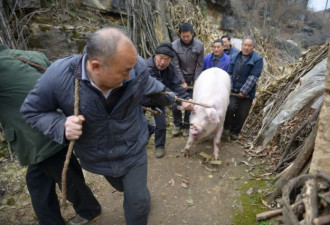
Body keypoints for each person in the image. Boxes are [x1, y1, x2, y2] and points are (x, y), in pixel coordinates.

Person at [20, 27, 176, 225]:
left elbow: (149, 86)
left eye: (132, 68)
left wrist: (172, 98)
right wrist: (61, 125)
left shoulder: (136, 68)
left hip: (133, 147)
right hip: (98, 155)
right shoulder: (59, 76)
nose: (130, 75)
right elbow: (32, 111)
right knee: (123, 187)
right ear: (96, 67)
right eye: (124, 71)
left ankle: (140, 201)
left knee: (137, 200)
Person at [0, 45, 101, 225]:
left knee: (66, 174)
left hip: (35, 135)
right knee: (38, 180)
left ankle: (89, 211)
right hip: (58, 121)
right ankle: (52, 220)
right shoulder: (28, 54)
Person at [145, 43, 193, 158]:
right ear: (155, 55)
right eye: (161, 58)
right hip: (143, 99)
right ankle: (148, 131)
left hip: (159, 100)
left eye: (167, 60)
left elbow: (176, 85)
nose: (163, 62)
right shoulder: (147, 67)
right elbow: (159, 87)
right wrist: (178, 99)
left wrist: (186, 98)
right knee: (137, 122)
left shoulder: (170, 68)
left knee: (161, 125)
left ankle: (160, 146)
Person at [223, 35, 264, 140]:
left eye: (249, 46)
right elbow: (229, 73)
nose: (246, 48)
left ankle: (235, 132)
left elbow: (253, 77)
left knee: (242, 113)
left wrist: (244, 91)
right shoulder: (234, 56)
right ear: (241, 45)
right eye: (245, 45)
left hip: (247, 93)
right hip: (233, 90)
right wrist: (230, 87)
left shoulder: (258, 60)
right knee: (230, 108)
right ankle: (227, 128)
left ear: (253, 47)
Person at [171, 22, 204, 137]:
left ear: (192, 34)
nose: (186, 38)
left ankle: (186, 126)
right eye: (183, 36)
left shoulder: (199, 46)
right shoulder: (174, 46)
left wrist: (196, 82)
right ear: (179, 34)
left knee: (190, 103)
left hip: (192, 79)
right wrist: (182, 81)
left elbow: (199, 65)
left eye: (188, 36)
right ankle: (177, 125)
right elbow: (175, 65)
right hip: (178, 79)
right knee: (176, 103)